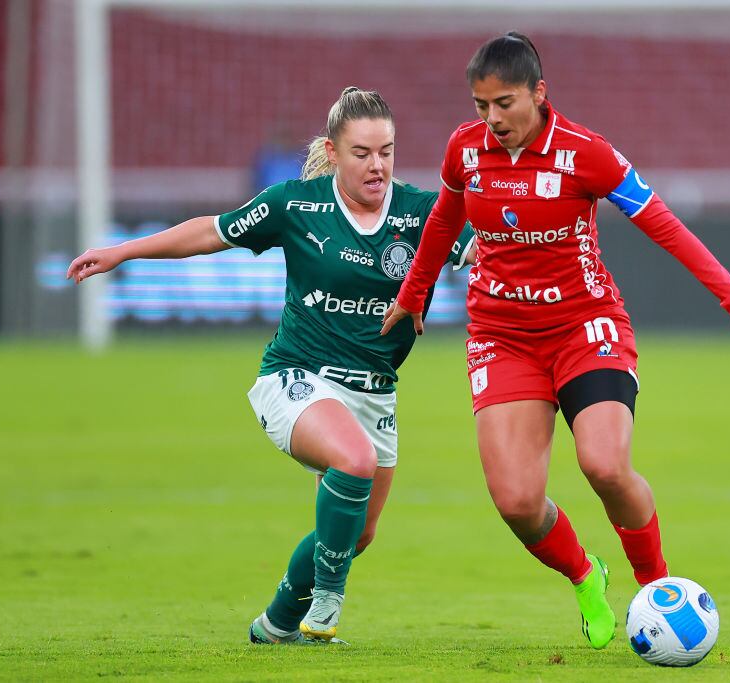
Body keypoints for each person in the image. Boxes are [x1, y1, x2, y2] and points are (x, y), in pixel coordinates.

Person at [381, 33, 730, 649]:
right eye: (480, 105)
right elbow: (443, 219)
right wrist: (415, 290)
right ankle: (584, 572)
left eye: (504, 103)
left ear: (541, 94)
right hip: (501, 336)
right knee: (516, 501)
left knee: (603, 464)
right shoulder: (465, 150)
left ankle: (658, 593)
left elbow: (663, 224)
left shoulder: (586, 153)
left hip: (584, 329)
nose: (491, 119)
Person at [67, 87, 475, 645]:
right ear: (332, 152)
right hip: (297, 377)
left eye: (387, 150)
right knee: (352, 461)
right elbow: (214, 230)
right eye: (362, 153)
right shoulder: (295, 204)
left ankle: (277, 623)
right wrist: (124, 250)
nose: (377, 165)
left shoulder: (421, 212)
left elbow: (487, 247)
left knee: (357, 534)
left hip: (376, 391)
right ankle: (327, 606)